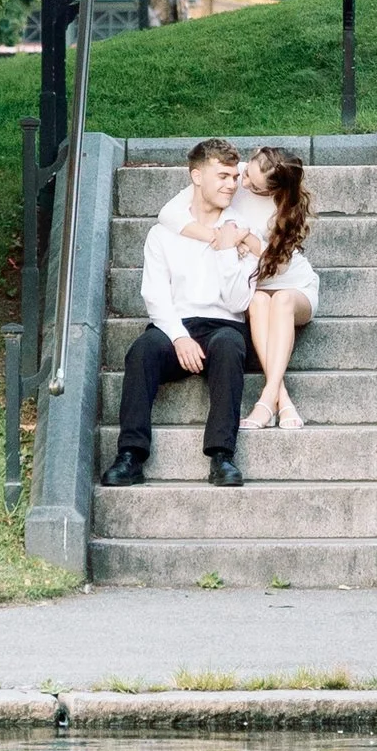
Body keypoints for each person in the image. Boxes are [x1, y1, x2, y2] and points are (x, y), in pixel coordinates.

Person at [101, 138, 257, 489]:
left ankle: (222, 456)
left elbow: (237, 302)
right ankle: (130, 456)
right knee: (141, 351)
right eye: (222, 176)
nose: (231, 184)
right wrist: (179, 336)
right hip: (176, 326)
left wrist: (227, 249)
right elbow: (154, 294)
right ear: (197, 177)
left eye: (235, 176)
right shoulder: (163, 234)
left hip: (224, 325)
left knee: (231, 345)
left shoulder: (243, 230)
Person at [158, 143, 320, 431]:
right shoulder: (233, 176)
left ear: (271, 191)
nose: (242, 184)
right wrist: (219, 237)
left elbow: (278, 265)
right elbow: (168, 215)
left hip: (292, 285)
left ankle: (267, 400)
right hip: (253, 285)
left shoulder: (285, 205)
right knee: (258, 300)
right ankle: (282, 400)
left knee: (280, 300)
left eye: (254, 187)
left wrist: (246, 239)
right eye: (246, 175)